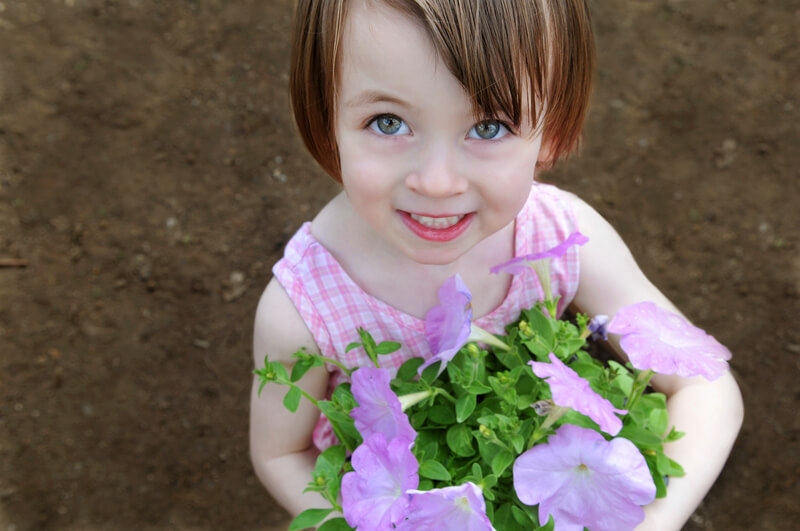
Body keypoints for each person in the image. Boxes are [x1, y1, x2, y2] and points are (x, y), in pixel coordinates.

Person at [249, 0, 744, 529]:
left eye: (488, 127)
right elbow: (282, 455)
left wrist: (651, 523)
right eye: (387, 122)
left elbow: (707, 386)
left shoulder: (564, 239)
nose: (437, 182)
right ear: (325, 118)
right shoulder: (303, 309)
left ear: (550, 132)